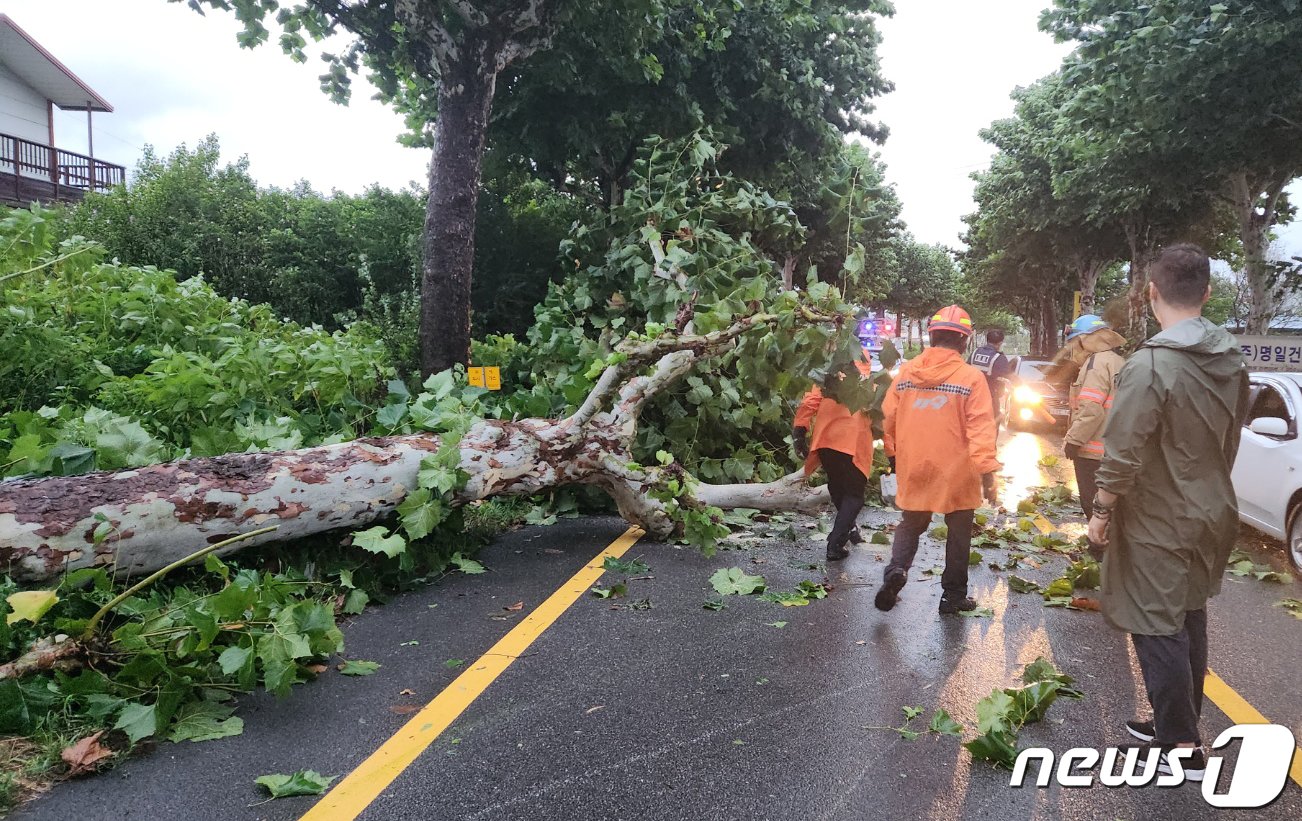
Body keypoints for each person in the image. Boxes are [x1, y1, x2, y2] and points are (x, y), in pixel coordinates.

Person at [1087, 243, 1250, 782]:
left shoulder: (1150, 365)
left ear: (1151, 294)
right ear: (1206, 293)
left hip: (1160, 516)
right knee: (1187, 614)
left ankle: (1179, 742)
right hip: (1213, 508)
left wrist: (1102, 512)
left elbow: (1123, 452)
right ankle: (1173, 722)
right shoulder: (1231, 360)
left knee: (1156, 624)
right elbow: (1231, 438)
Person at [875, 305, 1001, 614]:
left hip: (915, 464)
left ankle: (896, 570)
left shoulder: (906, 373)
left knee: (911, 523)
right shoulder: (971, 377)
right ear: (963, 342)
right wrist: (988, 472)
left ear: (932, 336)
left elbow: (886, 419)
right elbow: (981, 428)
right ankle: (953, 596)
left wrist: (894, 456)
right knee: (958, 533)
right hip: (957, 470)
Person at [793, 357, 875, 561]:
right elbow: (882, 412)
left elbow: (810, 401)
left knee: (837, 488)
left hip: (826, 438)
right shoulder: (867, 380)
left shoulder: (828, 374)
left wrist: (799, 432)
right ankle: (835, 543)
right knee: (854, 496)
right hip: (851, 441)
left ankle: (848, 530)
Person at [1061, 315, 1126, 519]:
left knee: (1093, 507)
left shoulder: (1096, 364)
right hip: (1115, 449)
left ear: (1085, 340)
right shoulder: (1118, 361)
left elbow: (1091, 408)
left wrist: (1073, 440)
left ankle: (1100, 548)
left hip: (1092, 453)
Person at [969, 329, 1015, 431]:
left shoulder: (975, 353)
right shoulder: (998, 358)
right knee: (993, 425)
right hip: (989, 398)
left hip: (970, 396)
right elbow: (1010, 375)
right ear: (1000, 343)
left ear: (987, 340)